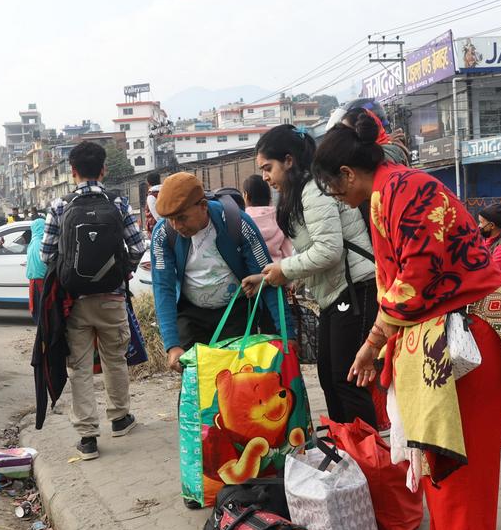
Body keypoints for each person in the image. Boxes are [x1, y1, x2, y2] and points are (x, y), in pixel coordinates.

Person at [312, 109, 501, 530]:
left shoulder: (408, 191)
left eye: (331, 186)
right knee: (430, 439)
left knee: (460, 448)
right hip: (442, 331)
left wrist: (371, 344)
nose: (335, 197)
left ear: (346, 174)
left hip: (473, 328)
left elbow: (414, 283)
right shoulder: (389, 192)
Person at [242, 124, 379, 427]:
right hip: (338, 294)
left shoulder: (314, 190)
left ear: (289, 161)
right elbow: (314, 254)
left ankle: (371, 460)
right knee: (331, 380)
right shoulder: (301, 192)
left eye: (268, 167)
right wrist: (268, 277)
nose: (265, 177)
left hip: (355, 290)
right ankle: (350, 454)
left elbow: (328, 250)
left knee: (347, 382)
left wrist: (284, 270)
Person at [40, 141, 146, 461]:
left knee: (81, 367)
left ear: (72, 172)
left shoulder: (60, 206)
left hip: (75, 301)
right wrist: (119, 273)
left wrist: (69, 273)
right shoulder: (118, 203)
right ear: (104, 169)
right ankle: (119, 418)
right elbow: (138, 247)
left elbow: (46, 254)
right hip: (112, 297)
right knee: (115, 358)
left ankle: (87, 437)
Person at [149, 172, 292, 374]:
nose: (177, 226)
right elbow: (163, 288)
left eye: (182, 218)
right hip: (191, 315)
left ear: (203, 206)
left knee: (237, 380)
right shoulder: (163, 233)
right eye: (171, 220)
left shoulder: (238, 223)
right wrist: (172, 345)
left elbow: (267, 278)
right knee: (197, 386)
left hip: (235, 313)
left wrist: (287, 334)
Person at [241, 174, 292, 262]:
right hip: (277, 270)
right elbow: (288, 252)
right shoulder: (280, 217)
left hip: (253, 272)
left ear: (245, 195)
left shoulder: (241, 221)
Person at [25, 216, 47, 323]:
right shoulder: (44, 243)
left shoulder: (33, 243)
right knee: (44, 310)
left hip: (35, 281)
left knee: (37, 310)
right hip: (43, 281)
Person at [145, 171, 163, 236]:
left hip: (157, 230)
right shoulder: (165, 191)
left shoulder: (151, 196)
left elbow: (157, 217)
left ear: (148, 183)